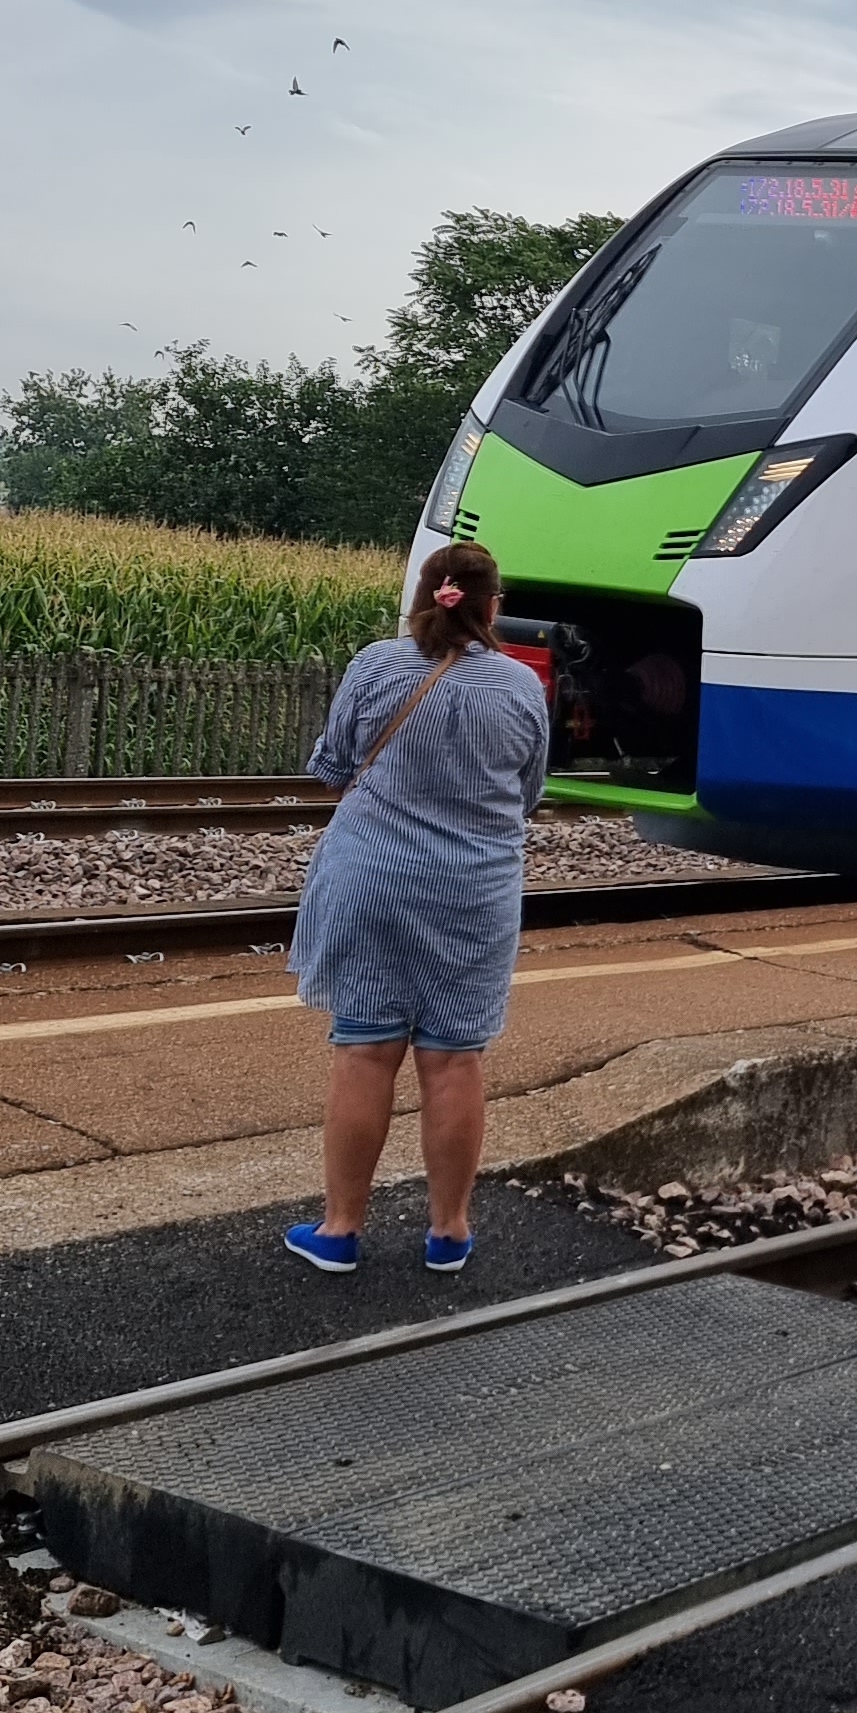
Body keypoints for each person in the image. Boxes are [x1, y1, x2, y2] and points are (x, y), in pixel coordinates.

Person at [284, 542, 551, 1275]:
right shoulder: (521, 685)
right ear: (493, 605)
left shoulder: (375, 664)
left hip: (372, 879)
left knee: (366, 1051)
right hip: (474, 890)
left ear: (425, 596)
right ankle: (449, 1233)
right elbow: (527, 793)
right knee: (455, 1058)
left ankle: (339, 1232)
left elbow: (333, 766)